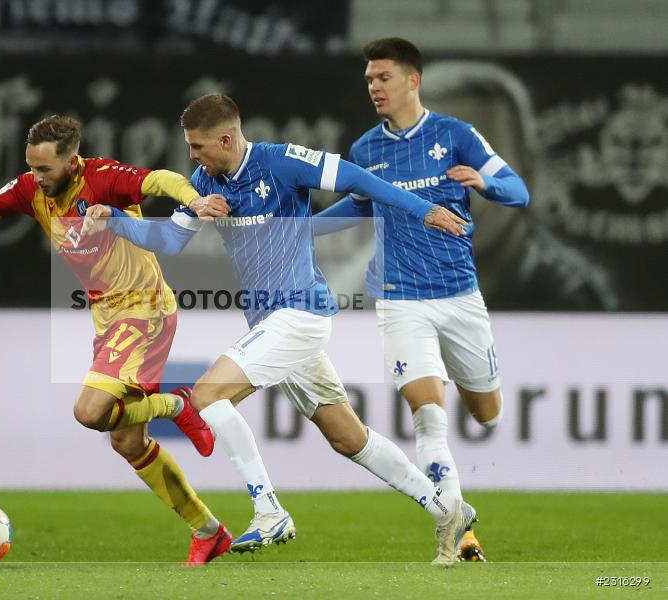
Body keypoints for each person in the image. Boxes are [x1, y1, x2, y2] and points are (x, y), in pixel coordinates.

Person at [82, 93, 476, 566]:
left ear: (226, 138)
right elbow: (168, 239)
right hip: (272, 324)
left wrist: (422, 210)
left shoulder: (283, 162)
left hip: (301, 314)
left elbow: (358, 179)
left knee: (207, 397)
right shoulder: (205, 182)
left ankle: (268, 510)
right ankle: (447, 510)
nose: (192, 156)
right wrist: (118, 221)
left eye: (199, 146)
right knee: (348, 437)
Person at [0, 114, 234, 566]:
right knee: (127, 443)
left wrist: (195, 198)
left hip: (145, 309)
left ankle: (177, 405)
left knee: (89, 411)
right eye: (31, 167)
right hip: (108, 319)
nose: (36, 177)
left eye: (45, 169)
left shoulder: (104, 180)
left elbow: (162, 179)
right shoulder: (30, 190)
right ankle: (208, 531)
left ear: (72, 163)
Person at [314, 38, 531, 562]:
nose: (374, 87)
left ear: (413, 80)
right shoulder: (367, 149)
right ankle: (455, 531)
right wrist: (298, 233)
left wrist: (486, 183)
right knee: (428, 415)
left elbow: (518, 191)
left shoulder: (455, 135)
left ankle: (468, 407)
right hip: (400, 298)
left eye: (383, 77)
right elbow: (359, 205)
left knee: (486, 414)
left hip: (459, 297)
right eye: (369, 80)